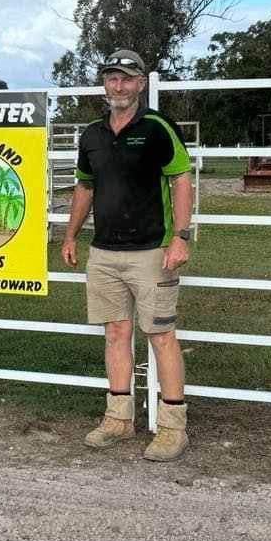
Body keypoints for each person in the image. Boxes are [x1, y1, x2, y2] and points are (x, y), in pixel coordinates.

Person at [61, 48, 194, 462]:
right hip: (104, 252)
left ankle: (173, 428)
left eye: (126, 78)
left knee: (160, 335)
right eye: (111, 78)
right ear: (105, 84)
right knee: (116, 334)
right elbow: (85, 188)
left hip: (153, 250)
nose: (118, 85)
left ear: (141, 83)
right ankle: (119, 418)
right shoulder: (92, 135)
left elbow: (182, 179)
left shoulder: (157, 127)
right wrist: (70, 236)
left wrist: (182, 237)